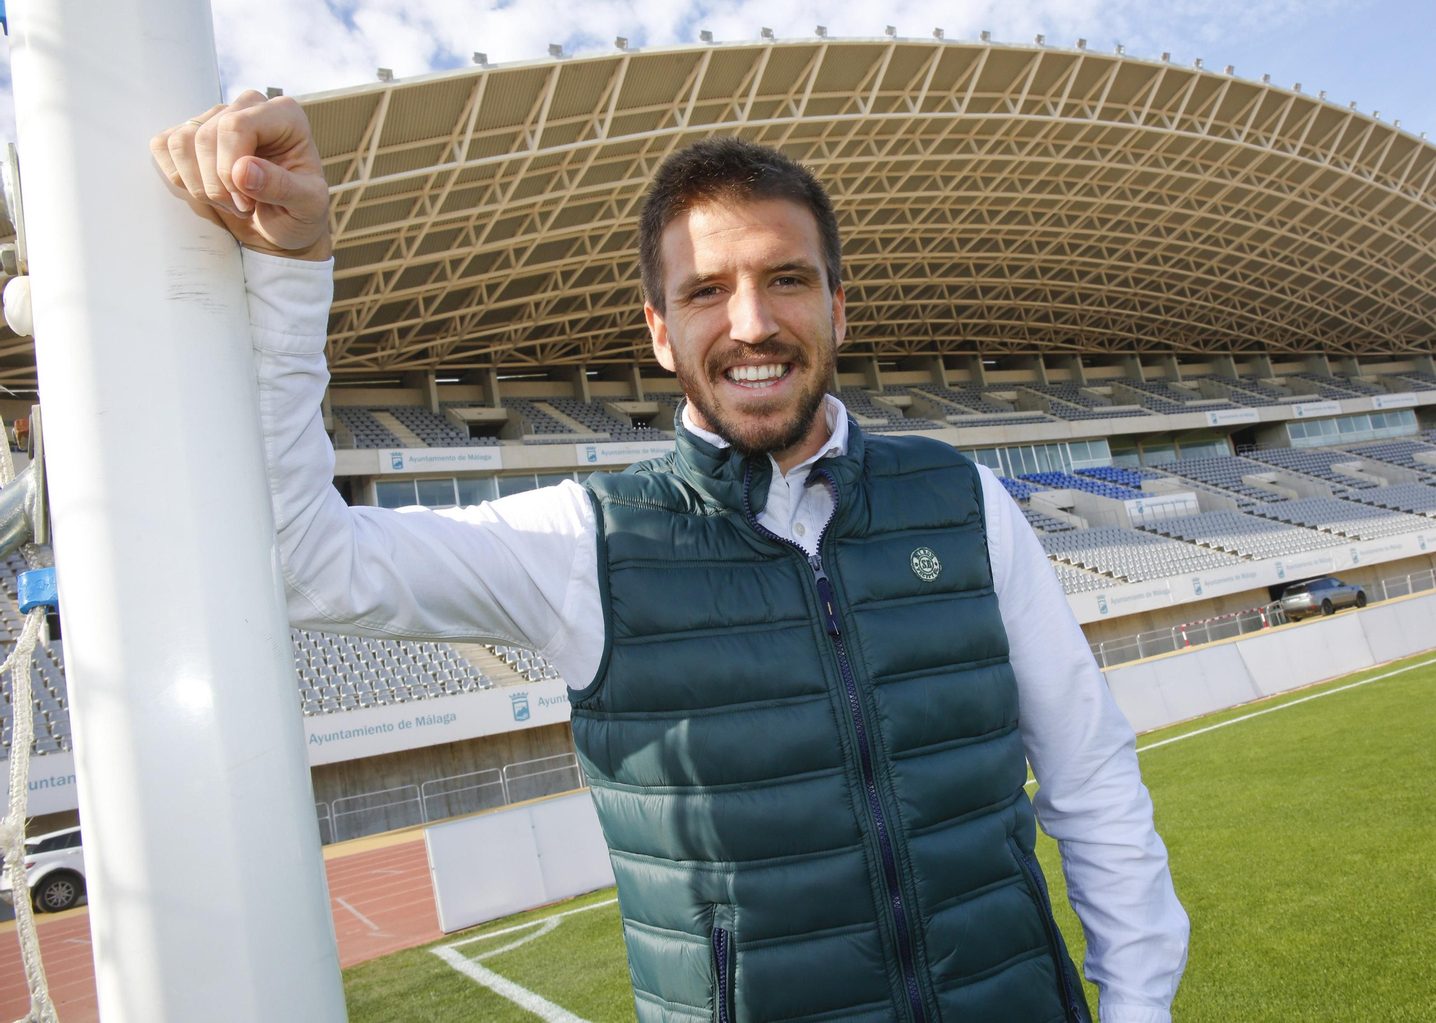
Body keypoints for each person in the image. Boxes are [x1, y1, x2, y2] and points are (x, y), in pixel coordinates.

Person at [152, 91, 1188, 1023]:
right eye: (706, 292)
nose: (752, 324)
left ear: (838, 305)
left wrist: (1138, 1005)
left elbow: (1088, 771)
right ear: (658, 331)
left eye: (786, 280)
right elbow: (301, 559)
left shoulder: (959, 498)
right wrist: (293, 268)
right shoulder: (587, 540)